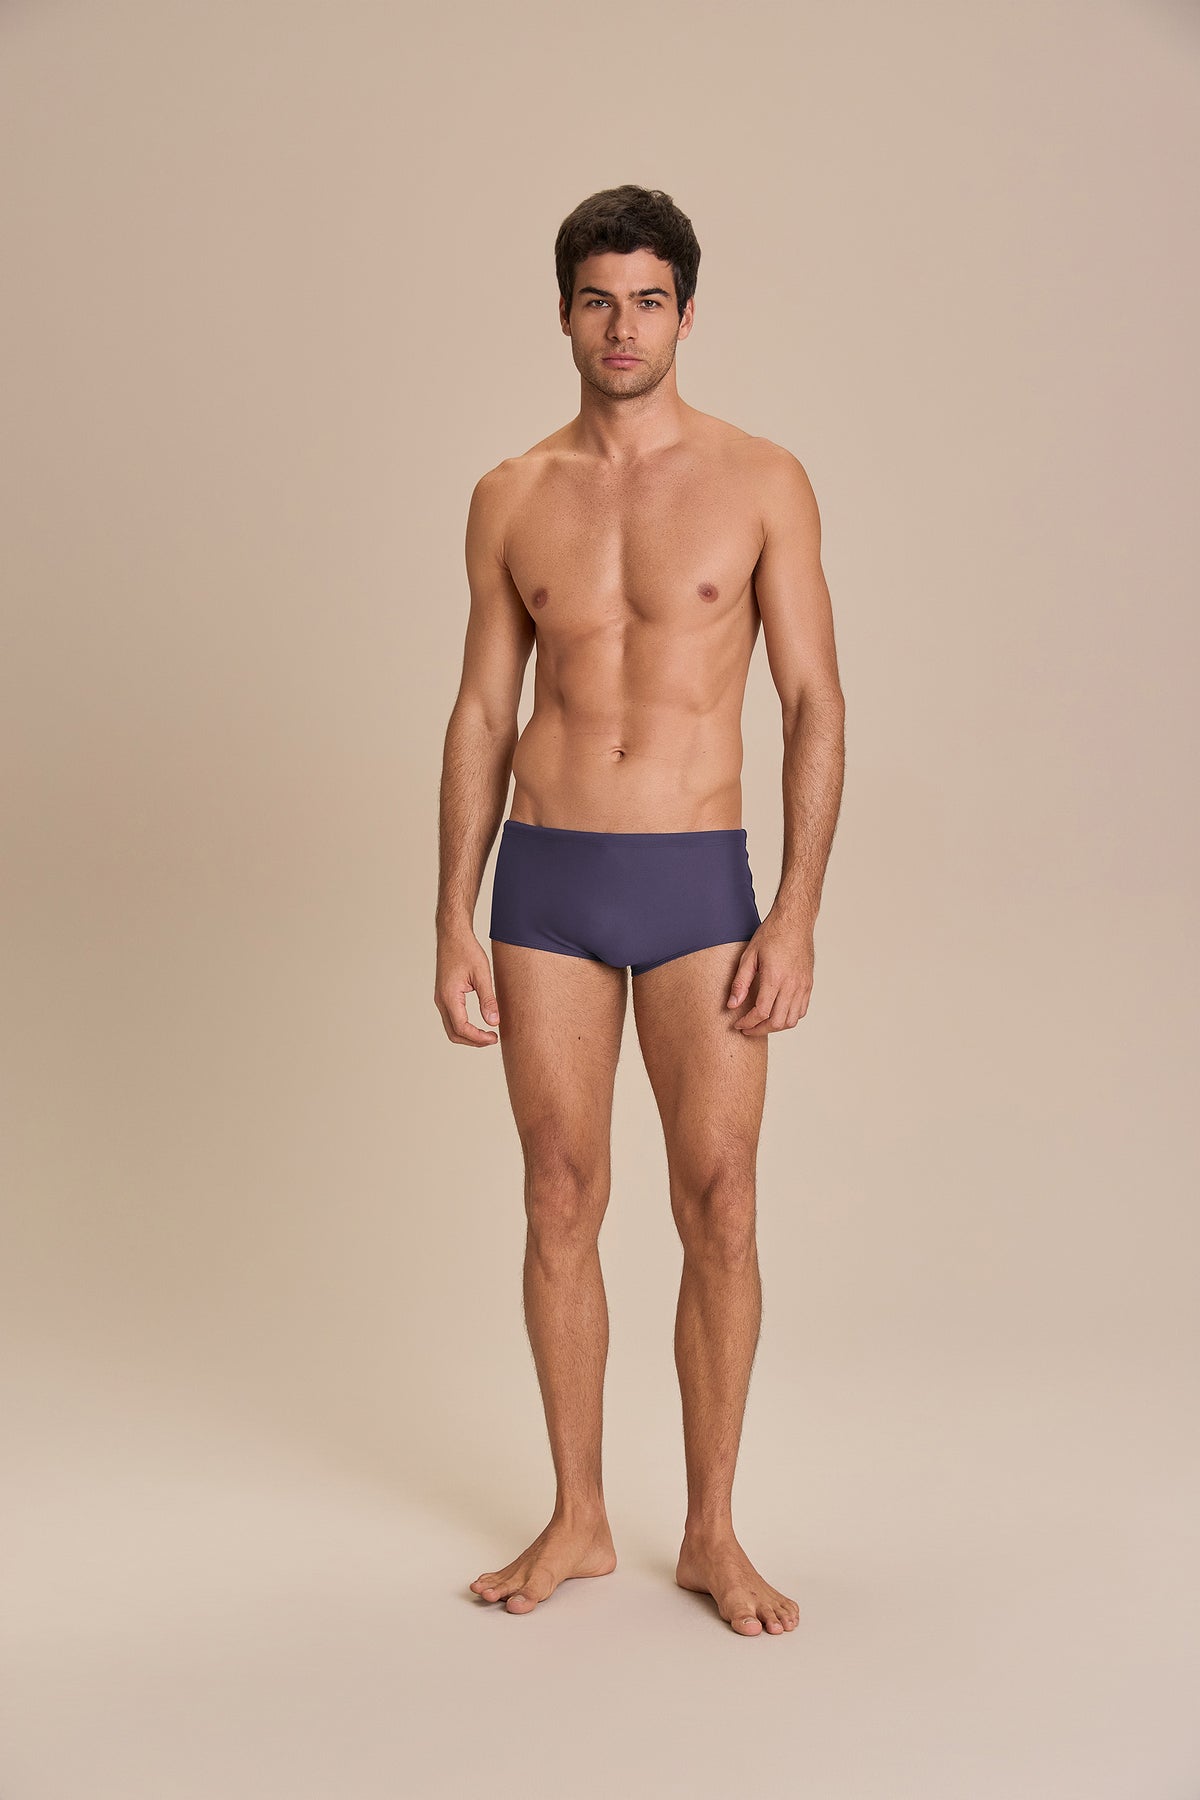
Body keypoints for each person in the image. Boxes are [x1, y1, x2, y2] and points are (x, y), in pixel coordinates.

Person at [434, 184, 845, 1637]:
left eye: (649, 301)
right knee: (559, 1195)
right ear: (563, 313)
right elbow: (482, 710)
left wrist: (794, 912)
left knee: (719, 1201)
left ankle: (712, 1533)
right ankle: (580, 1517)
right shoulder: (510, 493)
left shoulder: (761, 480)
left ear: (686, 313)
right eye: (598, 300)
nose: (624, 327)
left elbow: (813, 700)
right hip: (545, 881)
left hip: (696, 884)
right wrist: (450, 914)